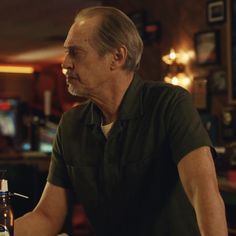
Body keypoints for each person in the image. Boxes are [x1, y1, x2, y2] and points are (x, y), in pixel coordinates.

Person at [15, 6, 227, 236]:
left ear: (117, 57)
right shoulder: (71, 124)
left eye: (75, 52)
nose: (65, 63)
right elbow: (47, 216)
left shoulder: (169, 104)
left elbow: (203, 193)